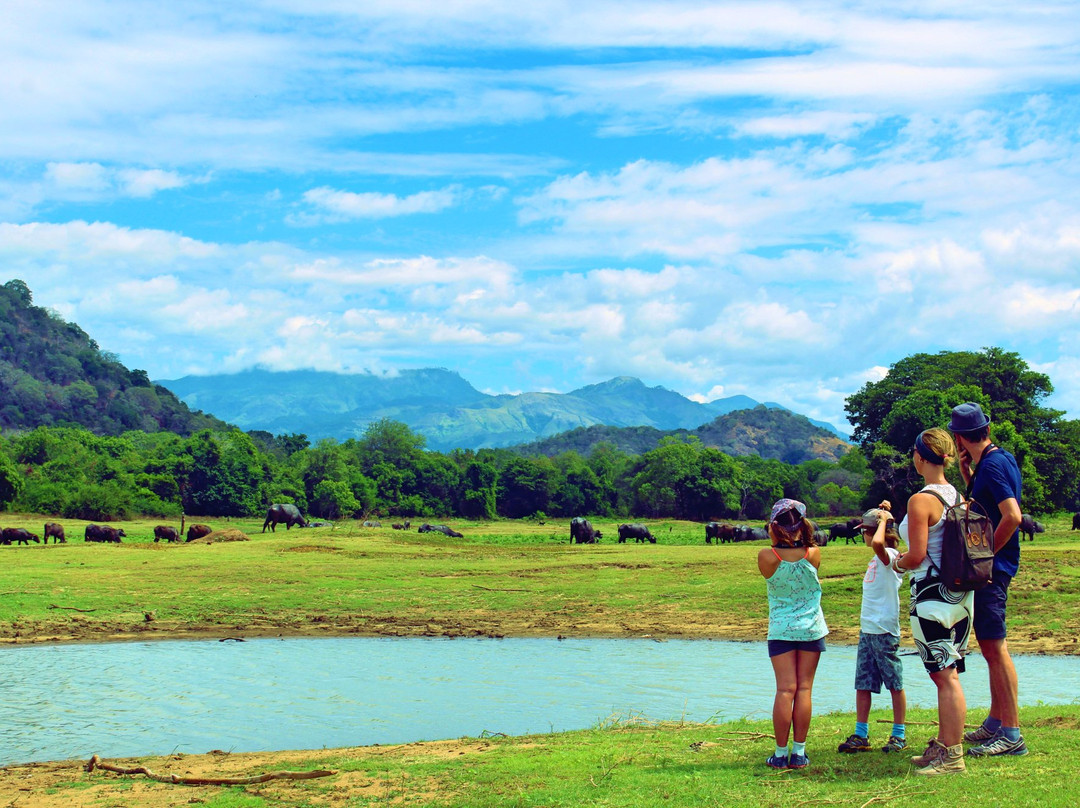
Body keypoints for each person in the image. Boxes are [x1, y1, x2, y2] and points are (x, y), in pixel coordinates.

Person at [889, 427, 970, 775]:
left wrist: (896, 560)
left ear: (921, 457)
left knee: (944, 675)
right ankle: (944, 745)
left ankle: (953, 756)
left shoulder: (920, 500)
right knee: (949, 672)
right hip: (961, 596)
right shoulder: (958, 496)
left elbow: (918, 555)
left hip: (931, 596)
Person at [949, 402, 1026, 757]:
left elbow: (1012, 516)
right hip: (996, 569)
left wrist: (986, 556)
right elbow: (989, 505)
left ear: (960, 437)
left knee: (996, 649)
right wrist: (968, 474)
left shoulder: (992, 465)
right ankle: (997, 722)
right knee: (991, 646)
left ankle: (1011, 734)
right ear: (987, 431)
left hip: (993, 571)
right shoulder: (999, 459)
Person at [757, 498, 828, 770]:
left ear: (775, 526)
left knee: (785, 690)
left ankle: (779, 753)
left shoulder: (767, 557)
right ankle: (799, 753)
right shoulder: (813, 554)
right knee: (805, 689)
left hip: (781, 630)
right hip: (811, 629)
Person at [837, 508, 907, 755]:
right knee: (863, 684)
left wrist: (884, 520)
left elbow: (878, 541)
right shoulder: (877, 558)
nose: (865, 537)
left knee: (894, 684)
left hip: (884, 631)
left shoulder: (889, 554)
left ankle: (899, 734)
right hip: (867, 630)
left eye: (865, 531)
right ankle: (861, 733)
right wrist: (883, 511)